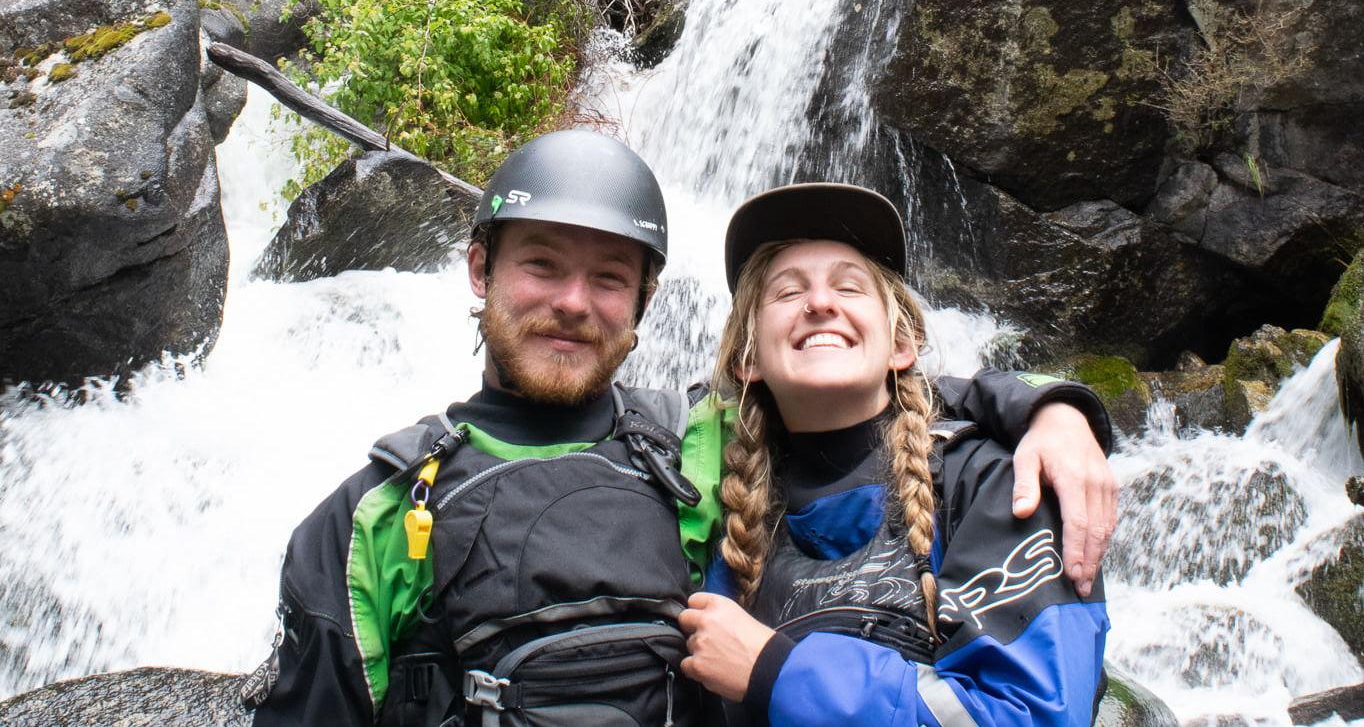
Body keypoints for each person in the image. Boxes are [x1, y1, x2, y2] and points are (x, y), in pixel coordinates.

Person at [247, 133, 1116, 727]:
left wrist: (1052, 406)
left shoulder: (688, 449)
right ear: (480, 268)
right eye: (541, 264)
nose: (573, 302)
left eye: (607, 277)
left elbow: (868, 399)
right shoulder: (373, 516)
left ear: (643, 300)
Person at [679, 182, 1110, 727]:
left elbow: (1032, 712)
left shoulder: (996, 480)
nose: (820, 303)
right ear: (748, 358)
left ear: (901, 345)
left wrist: (775, 672)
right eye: (787, 293)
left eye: (849, 287)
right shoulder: (714, 498)